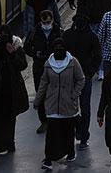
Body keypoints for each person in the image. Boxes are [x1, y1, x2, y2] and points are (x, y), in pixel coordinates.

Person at [32, 38, 85, 170]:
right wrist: (38, 100)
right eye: (56, 47)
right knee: (51, 135)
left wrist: (73, 95)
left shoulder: (73, 62)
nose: (59, 50)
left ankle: (70, 152)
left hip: (68, 106)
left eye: (61, 47)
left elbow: (81, 79)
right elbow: (43, 84)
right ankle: (48, 159)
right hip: (52, 105)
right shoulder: (48, 64)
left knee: (68, 132)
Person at [0, 27, 29, 157]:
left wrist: (12, 54)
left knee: (10, 119)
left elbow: (22, 65)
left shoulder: (16, 46)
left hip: (12, 90)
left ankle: (9, 143)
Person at [63, 13, 102, 149]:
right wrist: (91, 71)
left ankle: (76, 134)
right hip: (85, 76)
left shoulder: (67, 35)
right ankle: (83, 136)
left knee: (70, 108)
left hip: (72, 77)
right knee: (85, 107)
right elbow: (98, 56)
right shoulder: (92, 36)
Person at [25, 9, 63, 134]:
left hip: (55, 67)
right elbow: (27, 47)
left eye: (48, 22)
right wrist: (35, 53)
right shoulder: (34, 32)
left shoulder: (59, 32)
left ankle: (54, 121)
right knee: (41, 94)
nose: (46, 25)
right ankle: (44, 121)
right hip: (39, 68)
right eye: (44, 22)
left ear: (52, 20)